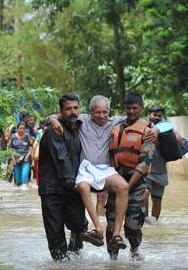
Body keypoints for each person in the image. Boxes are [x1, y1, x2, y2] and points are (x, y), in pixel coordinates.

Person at [48, 95, 158, 253]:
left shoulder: (115, 121)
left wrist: (156, 129)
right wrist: (53, 120)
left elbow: (141, 120)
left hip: (106, 170)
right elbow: (54, 116)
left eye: (104, 112)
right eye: (97, 112)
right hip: (85, 169)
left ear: (109, 111)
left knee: (123, 187)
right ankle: (98, 229)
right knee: (82, 189)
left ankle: (116, 235)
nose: (101, 116)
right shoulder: (81, 119)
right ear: (90, 112)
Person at [38, 94, 87, 261]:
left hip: (73, 188)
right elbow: (62, 160)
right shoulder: (54, 130)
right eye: (68, 109)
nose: (73, 112)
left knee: (80, 226)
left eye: (75, 108)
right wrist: (80, 187)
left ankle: (75, 269)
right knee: (56, 236)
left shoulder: (81, 127)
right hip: (53, 191)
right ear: (61, 111)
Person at [107, 92, 156, 260]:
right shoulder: (115, 126)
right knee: (112, 222)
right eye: (128, 108)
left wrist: (127, 187)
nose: (131, 112)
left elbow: (144, 163)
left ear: (141, 108)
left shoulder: (148, 131)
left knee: (133, 225)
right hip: (115, 180)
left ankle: (134, 250)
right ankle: (112, 258)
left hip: (136, 183)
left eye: (134, 108)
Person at [144, 104, 182, 223]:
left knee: (157, 200)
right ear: (148, 115)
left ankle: (154, 222)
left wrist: (170, 132)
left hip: (160, 171)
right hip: (145, 169)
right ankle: (145, 220)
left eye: (159, 116)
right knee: (144, 194)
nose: (157, 117)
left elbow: (180, 142)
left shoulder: (166, 129)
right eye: (154, 115)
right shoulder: (143, 127)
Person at [9, 121, 35, 187]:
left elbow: (31, 148)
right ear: (17, 129)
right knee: (18, 182)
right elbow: (10, 149)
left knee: (24, 177)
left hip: (25, 159)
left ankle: (25, 192)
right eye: (20, 128)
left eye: (23, 128)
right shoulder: (13, 137)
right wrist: (13, 159)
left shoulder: (27, 136)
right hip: (16, 160)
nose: (22, 130)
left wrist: (27, 157)